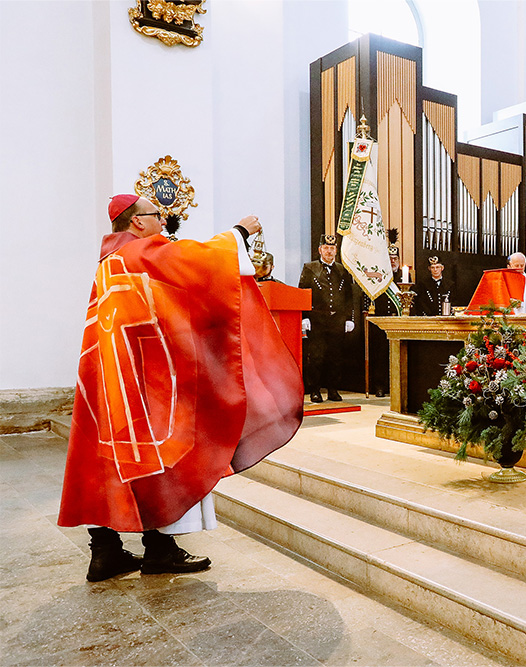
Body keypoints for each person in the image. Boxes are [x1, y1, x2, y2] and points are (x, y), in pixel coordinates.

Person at [59, 194, 303, 582]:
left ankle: (105, 551)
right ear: (137, 223)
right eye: (158, 216)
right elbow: (201, 262)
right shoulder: (142, 254)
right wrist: (240, 232)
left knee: (108, 460)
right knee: (164, 454)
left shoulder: (111, 262)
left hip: (113, 379)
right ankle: (160, 549)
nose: (164, 222)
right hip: (148, 382)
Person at [300, 235, 355, 403]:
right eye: (326, 248)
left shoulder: (342, 270)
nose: (329, 251)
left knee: (335, 357)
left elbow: (348, 297)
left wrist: (349, 318)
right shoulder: (310, 268)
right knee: (316, 357)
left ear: (336, 251)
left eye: (332, 249)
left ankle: (333, 389)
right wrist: (304, 316)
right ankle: (315, 390)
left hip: (336, 321)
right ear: (320, 250)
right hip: (317, 320)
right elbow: (303, 292)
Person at [362, 238, 402, 397]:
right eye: (390, 259)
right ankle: (379, 386)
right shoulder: (380, 277)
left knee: (397, 356)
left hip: (399, 322)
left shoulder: (404, 278)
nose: (392, 261)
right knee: (380, 356)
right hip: (381, 322)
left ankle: (396, 386)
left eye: (395, 259)